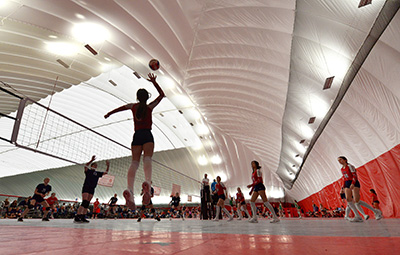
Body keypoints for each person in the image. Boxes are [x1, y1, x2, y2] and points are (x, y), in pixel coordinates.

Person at [105, 73, 165, 209]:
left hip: (136, 136)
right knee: (147, 159)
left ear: (137, 97)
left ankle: (130, 190)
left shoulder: (133, 107)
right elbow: (162, 95)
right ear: (146, 97)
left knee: (134, 162)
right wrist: (154, 82)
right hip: (147, 135)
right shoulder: (149, 107)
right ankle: (147, 184)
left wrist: (109, 113)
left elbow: (120, 108)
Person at [338, 156, 382, 222]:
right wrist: (342, 187)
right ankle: (357, 216)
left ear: (345, 160)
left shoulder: (350, 166)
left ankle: (376, 211)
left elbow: (354, 175)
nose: (339, 161)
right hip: (347, 183)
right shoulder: (342, 169)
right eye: (338, 160)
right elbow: (344, 178)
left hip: (354, 182)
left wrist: (353, 183)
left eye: (341, 160)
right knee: (348, 199)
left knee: (356, 201)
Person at [74, 156, 109, 223]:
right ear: (91, 165)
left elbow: (106, 172)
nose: (95, 166)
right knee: (84, 202)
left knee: (87, 203)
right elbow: (85, 166)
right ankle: (77, 216)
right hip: (86, 187)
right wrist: (91, 160)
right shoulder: (88, 171)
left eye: (96, 165)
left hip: (92, 188)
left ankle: (83, 216)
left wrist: (108, 166)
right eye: (94, 165)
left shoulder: (97, 173)